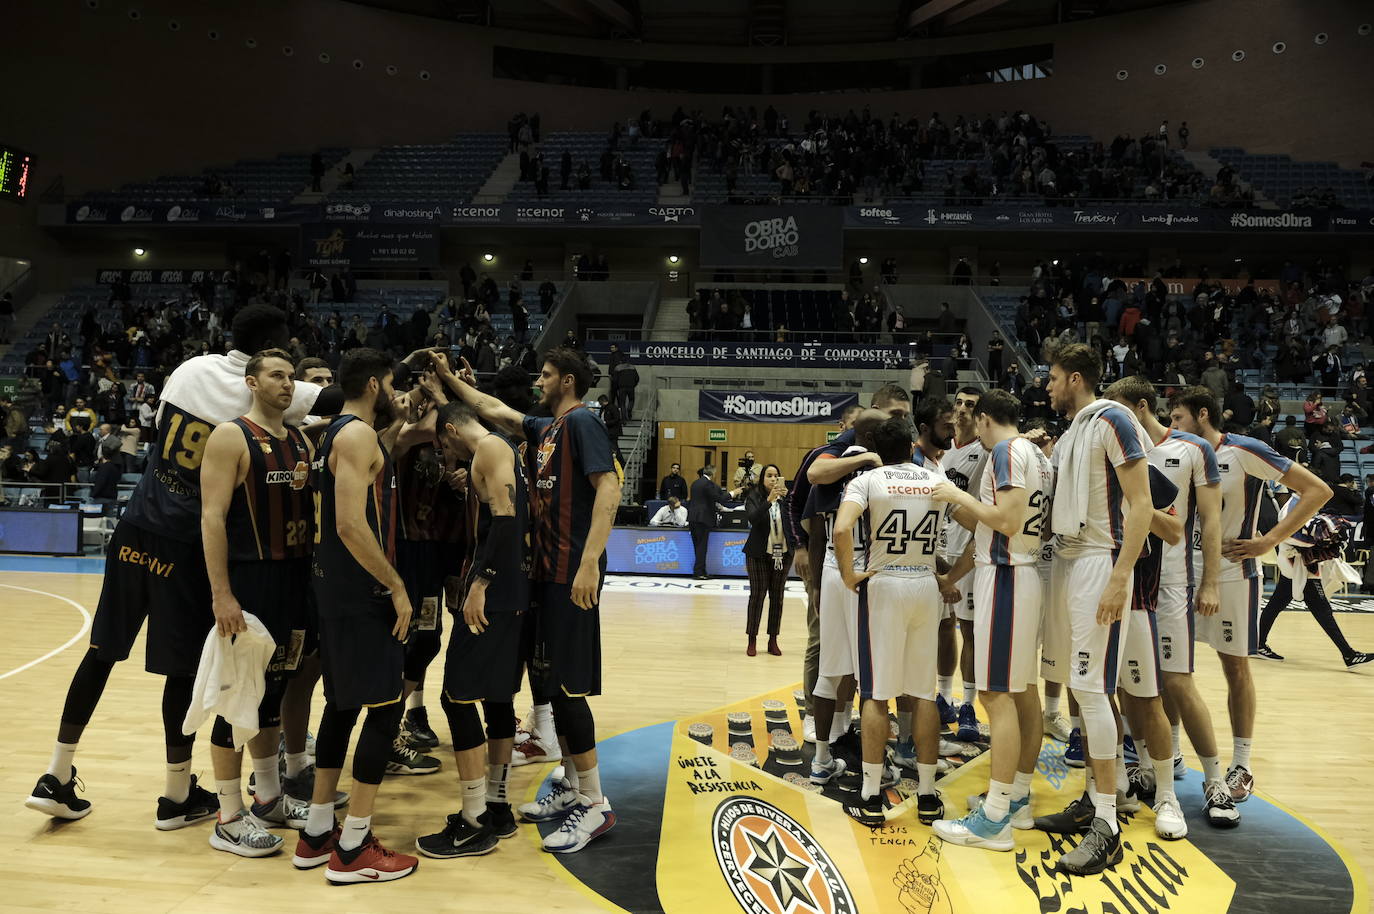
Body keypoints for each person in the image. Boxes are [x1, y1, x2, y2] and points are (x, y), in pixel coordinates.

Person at [25, 305, 336, 829]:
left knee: (101, 653)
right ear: (270, 354)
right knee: (182, 670)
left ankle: (56, 773)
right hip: (186, 541)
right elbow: (338, 400)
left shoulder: (190, 368)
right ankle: (176, 794)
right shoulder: (267, 388)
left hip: (136, 525)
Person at [434, 346, 623, 854]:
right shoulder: (548, 428)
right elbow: (494, 409)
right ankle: (573, 785)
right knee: (550, 686)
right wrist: (448, 379)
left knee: (568, 689)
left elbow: (608, 489)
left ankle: (596, 804)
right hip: (544, 576)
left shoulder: (582, 422)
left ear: (567, 380)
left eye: (546, 375)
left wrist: (589, 562)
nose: (539, 382)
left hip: (570, 575)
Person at [291, 348, 420, 884]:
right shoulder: (357, 435)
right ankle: (354, 846)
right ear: (373, 385)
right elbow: (349, 523)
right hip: (362, 590)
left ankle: (318, 831)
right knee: (384, 711)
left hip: (334, 587)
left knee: (342, 707)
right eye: (391, 385)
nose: (394, 393)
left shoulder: (336, 434)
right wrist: (396, 585)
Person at [1169, 386, 1331, 807]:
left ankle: (1242, 763)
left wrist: (1269, 540)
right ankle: (1171, 751)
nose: (1172, 425)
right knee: (1171, 668)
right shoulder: (1177, 452)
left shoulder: (1245, 450)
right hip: (1180, 572)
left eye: (1178, 417)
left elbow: (1317, 491)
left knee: (1236, 668)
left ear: (1203, 415)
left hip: (1232, 574)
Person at [1033, 342, 1153, 876]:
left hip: (1100, 562)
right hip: (1070, 559)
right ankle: (1092, 799)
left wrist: (1120, 577)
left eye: (1053, 378)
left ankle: (1108, 825)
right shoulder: (1074, 431)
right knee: (1081, 691)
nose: (1048, 387)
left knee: (1093, 690)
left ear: (1076, 378)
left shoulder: (1114, 419)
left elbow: (1144, 504)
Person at [198, 349, 317, 858]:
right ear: (251, 382)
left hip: (295, 581)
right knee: (238, 699)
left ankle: (268, 797)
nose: (287, 384)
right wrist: (222, 594)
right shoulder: (231, 436)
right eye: (276, 375)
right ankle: (228, 817)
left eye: (291, 376)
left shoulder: (301, 439)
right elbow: (211, 518)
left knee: (273, 694)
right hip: (251, 581)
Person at [1106, 378, 1238, 828]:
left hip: (1173, 584)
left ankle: (1215, 781)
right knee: (1132, 686)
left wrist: (1211, 583)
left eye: (1119, 409)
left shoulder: (1191, 448)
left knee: (1178, 683)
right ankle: (1146, 765)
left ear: (1141, 407)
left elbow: (1211, 521)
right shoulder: (1114, 450)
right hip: (1128, 582)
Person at [930, 389, 1052, 850]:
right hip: (1017, 574)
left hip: (1006, 578)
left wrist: (955, 493)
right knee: (1022, 693)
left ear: (984, 418)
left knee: (996, 696)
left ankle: (994, 819)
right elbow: (991, 526)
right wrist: (955, 572)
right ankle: (1016, 798)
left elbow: (1006, 521)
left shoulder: (1004, 451)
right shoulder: (1036, 455)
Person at [416, 398, 532, 859]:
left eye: (443, 446)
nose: (447, 456)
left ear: (450, 431)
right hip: (512, 592)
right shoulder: (504, 449)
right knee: (498, 697)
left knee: (457, 698)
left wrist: (480, 583)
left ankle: (473, 819)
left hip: (494, 594)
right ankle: (498, 808)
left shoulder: (489, 448)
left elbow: (506, 520)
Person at [832, 415, 946, 827]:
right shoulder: (934, 478)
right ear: (912, 445)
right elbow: (977, 527)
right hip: (925, 584)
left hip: (885, 583)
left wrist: (848, 575)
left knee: (877, 695)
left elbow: (842, 529)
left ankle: (870, 796)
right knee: (924, 695)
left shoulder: (868, 480)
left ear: (876, 449)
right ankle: (928, 795)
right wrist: (953, 575)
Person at [1258, 490, 1372, 668]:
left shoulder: (1306, 502)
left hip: (1301, 563)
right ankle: (1349, 655)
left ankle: (1257, 644)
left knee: (1276, 604)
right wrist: (1319, 541)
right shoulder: (1292, 506)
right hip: (1296, 564)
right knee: (1322, 610)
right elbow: (1288, 535)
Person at [940, 388, 987, 743]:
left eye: (970, 405)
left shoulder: (985, 451)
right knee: (940, 628)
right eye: (958, 402)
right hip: (937, 547)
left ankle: (968, 705)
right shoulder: (940, 449)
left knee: (969, 631)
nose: (962, 409)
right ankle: (943, 697)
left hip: (968, 550)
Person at [742, 464, 794, 657]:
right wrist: (769, 501)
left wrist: (789, 501)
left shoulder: (787, 499)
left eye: (776, 476)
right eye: (769, 475)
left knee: (777, 598)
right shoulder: (754, 497)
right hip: (758, 554)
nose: (773, 479)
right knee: (757, 597)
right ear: (762, 479)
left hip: (782, 554)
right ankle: (752, 639)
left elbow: (795, 520)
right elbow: (753, 519)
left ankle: (773, 640)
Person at [688, 466, 739, 580]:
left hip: (692, 518)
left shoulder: (695, 483)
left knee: (697, 546)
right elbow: (719, 498)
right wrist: (733, 493)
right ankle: (699, 573)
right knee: (702, 547)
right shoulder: (708, 484)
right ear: (713, 474)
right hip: (702, 519)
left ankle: (701, 571)